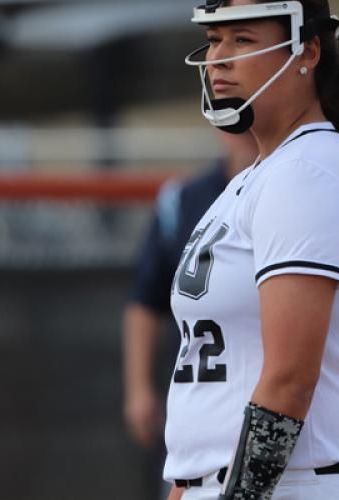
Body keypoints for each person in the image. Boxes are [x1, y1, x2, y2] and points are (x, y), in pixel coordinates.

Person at [165, 0, 339, 499]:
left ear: (307, 49)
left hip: (294, 486)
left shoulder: (307, 173)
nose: (219, 58)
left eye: (242, 39)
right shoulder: (257, 178)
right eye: (213, 39)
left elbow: (290, 378)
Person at [122, 130, 258, 499]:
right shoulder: (184, 199)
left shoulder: (305, 193)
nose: (244, 132)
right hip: (201, 404)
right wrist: (138, 388)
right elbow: (145, 300)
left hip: (277, 409)